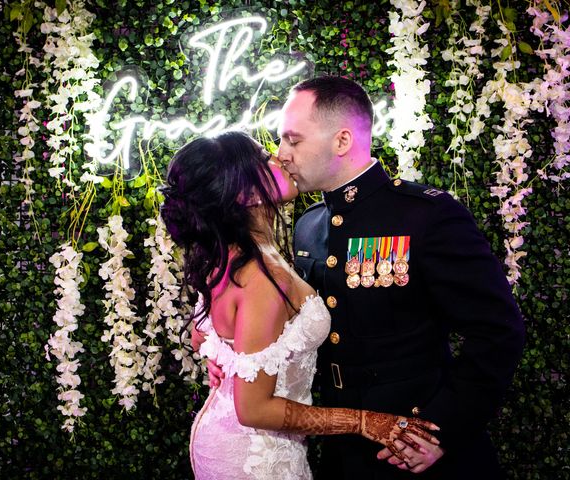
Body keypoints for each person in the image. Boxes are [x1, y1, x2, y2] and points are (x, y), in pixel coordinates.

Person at [273, 76, 524, 478]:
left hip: (415, 447)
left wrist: (439, 432)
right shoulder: (309, 227)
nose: (281, 153)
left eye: (292, 139)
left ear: (341, 141)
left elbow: (497, 332)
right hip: (343, 449)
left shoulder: (426, 215)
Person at [160, 131, 440, 480]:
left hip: (243, 438)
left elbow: (210, 330)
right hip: (253, 455)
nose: (280, 157)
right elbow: (254, 410)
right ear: (244, 194)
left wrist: (218, 354)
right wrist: (365, 421)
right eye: (266, 158)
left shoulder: (230, 253)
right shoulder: (261, 276)